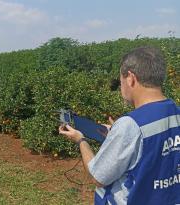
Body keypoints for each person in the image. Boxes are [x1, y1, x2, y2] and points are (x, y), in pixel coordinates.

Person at [59, 46, 180, 205]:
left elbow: (98, 177)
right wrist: (118, 134)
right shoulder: (175, 111)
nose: (121, 87)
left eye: (121, 81)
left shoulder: (130, 125)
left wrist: (81, 140)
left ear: (130, 78)